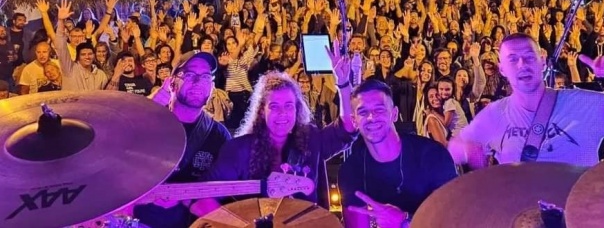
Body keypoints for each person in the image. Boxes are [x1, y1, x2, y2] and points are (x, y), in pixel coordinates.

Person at [192, 41, 358, 215]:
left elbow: (346, 128)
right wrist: (236, 223)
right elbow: (201, 197)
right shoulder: (239, 150)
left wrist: (344, 84)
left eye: (288, 106)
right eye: (274, 106)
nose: (282, 113)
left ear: (297, 109)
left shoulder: (311, 139)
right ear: (262, 111)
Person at [448, 33, 604, 169]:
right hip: (521, 214)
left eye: (529, 57)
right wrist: (467, 150)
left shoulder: (581, 103)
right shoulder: (495, 113)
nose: (522, 64)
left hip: (575, 214)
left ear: (542, 60)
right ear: (502, 69)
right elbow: (455, 147)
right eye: (513, 59)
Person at [127, 51, 232, 228]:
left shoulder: (219, 136)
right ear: (172, 82)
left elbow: (220, 194)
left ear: (212, 87)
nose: (198, 82)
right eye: (190, 74)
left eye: (206, 77)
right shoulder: (145, 125)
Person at [339, 79, 458, 228]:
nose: (371, 117)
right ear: (354, 121)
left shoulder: (433, 155)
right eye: (363, 112)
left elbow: (455, 219)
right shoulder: (351, 170)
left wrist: (406, 221)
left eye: (379, 109)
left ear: (394, 114)